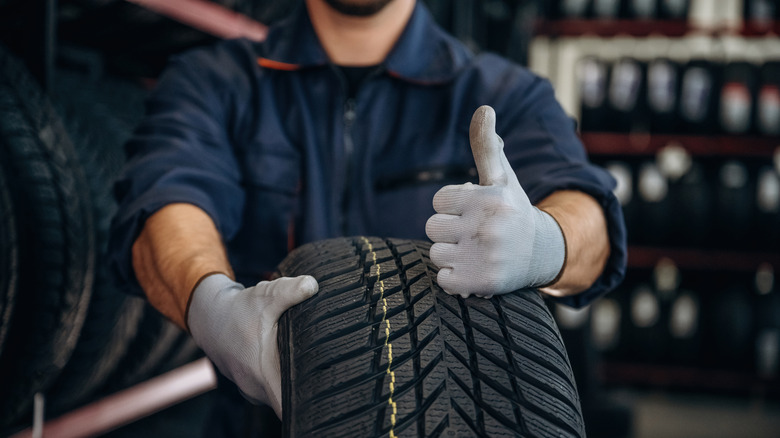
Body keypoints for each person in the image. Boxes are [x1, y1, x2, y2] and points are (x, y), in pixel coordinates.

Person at [108, 0, 627, 435]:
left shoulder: (506, 92)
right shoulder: (215, 80)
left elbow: (590, 217)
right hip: (259, 422)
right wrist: (209, 303)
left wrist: (545, 242)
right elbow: (167, 194)